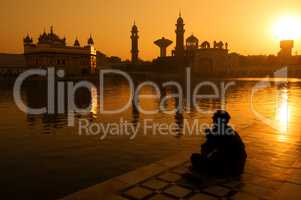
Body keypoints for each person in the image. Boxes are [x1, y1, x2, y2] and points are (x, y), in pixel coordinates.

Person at [190, 110, 247, 178]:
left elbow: (206, 149)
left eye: (214, 119)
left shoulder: (220, 132)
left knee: (195, 157)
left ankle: (207, 169)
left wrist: (210, 137)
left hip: (229, 168)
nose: (213, 121)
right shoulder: (230, 130)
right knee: (209, 156)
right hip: (238, 167)